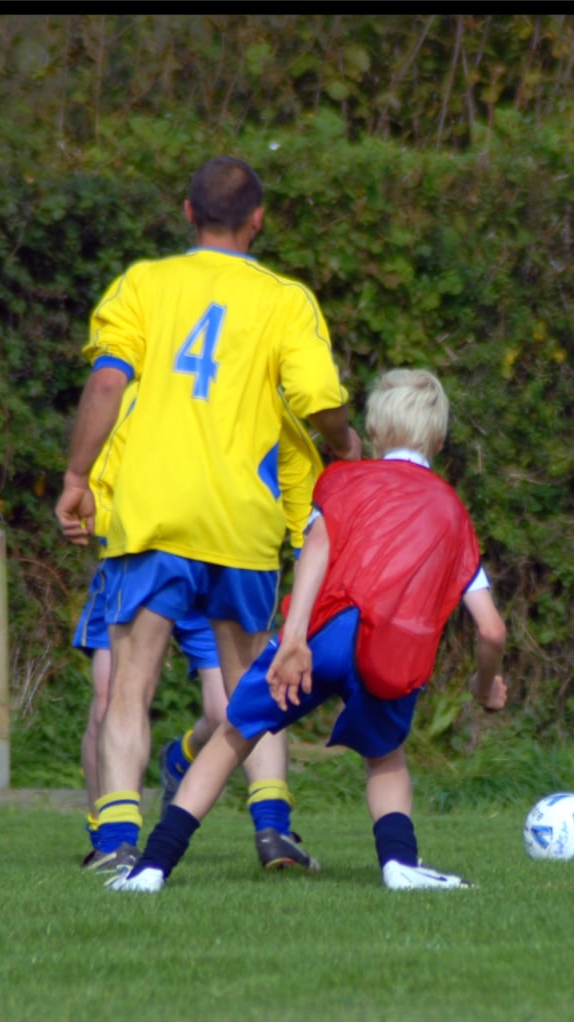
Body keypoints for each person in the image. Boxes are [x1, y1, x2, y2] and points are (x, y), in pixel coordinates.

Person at [54, 156, 361, 871]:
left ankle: (116, 842)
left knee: (130, 683)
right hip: (240, 519)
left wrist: (76, 475)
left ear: (187, 214)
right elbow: (319, 403)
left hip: (154, 512)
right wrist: (348, 448)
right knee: (255, 679)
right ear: (259, 220)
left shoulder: (143, 284)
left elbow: (107, 381)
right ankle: (273, 827)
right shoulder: (286, 300)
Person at [107, 368, 508, 893]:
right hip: (391, 652)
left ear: (377, 428)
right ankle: (399, 865)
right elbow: (492, 630)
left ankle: (153, 866)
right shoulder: (451, 512)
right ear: (438, 436)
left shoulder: (342, 481)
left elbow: (316, 550)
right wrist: (483, 684)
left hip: (323, 635)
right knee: (385, 754)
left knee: (235, 733)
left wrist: (294, 638)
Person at [67, 388, 321, 872]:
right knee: (110, 695)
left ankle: (268, 823)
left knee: (234, 702)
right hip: (150, 544)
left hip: (220, 544)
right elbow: (114, 437)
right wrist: (95, 503)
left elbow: (286, 455)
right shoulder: (157, 375)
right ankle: (111, 835)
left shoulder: (246, 386)